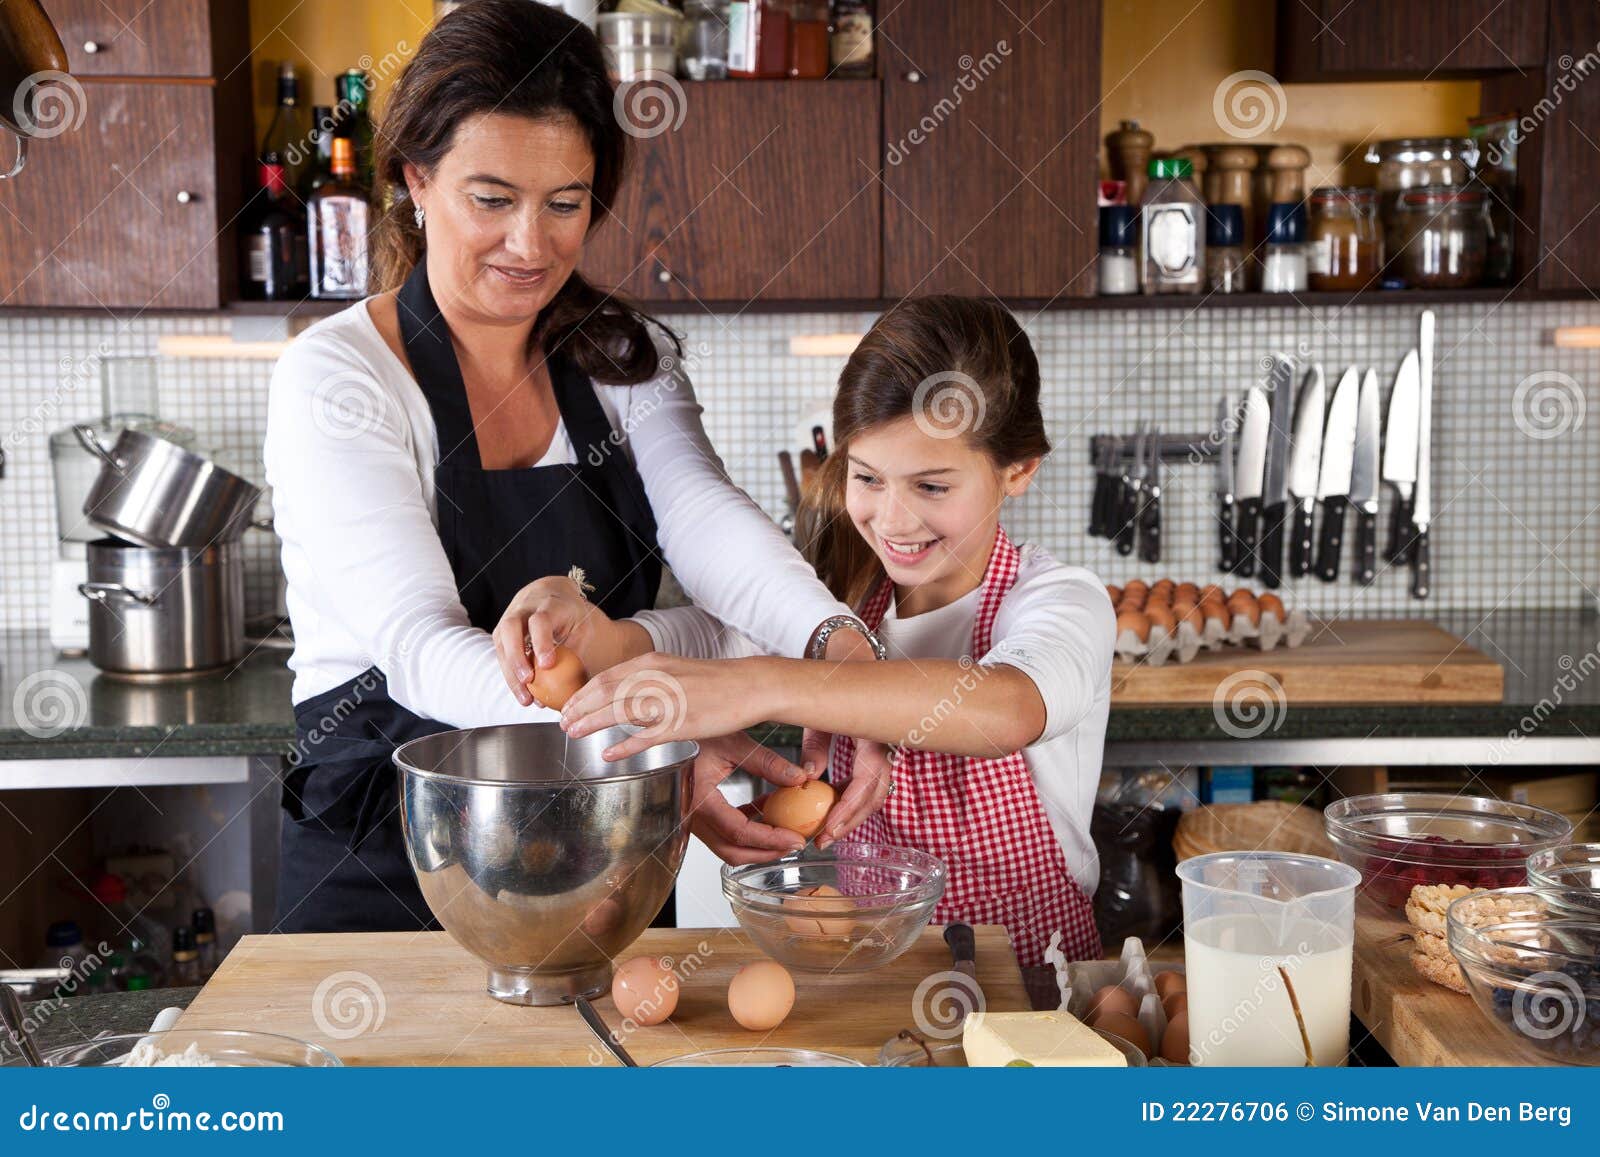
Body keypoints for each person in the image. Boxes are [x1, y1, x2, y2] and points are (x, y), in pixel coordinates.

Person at [262, 0, 879, 934]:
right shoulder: (342, 374)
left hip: (604, 854)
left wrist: (843, 658)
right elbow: (420, 647)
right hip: (390, 859)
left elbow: (708, 532)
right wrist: (646, 726)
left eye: (565, 204)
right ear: (415, 178)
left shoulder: (620, 355)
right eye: (492, 199)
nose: (531, 246)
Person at [510, 296, 1116, 982]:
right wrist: (578, 621)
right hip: (869, 993)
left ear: (1018, 470)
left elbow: (1007, 709)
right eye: (867, 478)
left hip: (1034, 1005)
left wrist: (765, 681)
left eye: (932, 485)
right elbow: (689, 645)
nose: (893, 518)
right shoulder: (839, 604)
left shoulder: (1060, 601)